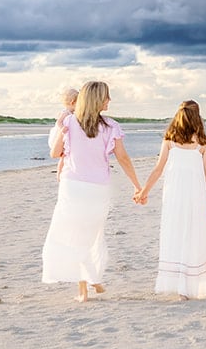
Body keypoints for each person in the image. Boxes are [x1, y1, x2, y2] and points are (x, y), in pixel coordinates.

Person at [42, 81, 141, 302]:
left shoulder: (70, 121)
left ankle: (87, 286)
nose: (109, 100)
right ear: (97, 99)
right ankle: (88, 283)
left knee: (78, 235)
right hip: (96, 188)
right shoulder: (109, 126)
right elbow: (123, 158)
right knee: (89, 235)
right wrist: (137, 184)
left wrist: (62, 130)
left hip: (73, 186)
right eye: (107, 96)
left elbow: (55, 152)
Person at [136, 100, 206, 299]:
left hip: (175, 198)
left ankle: (183, 286)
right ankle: (188, 285)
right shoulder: (203, 144)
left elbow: (158, 169)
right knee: (192, 236)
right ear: (197, 117)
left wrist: (144, 191)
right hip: (195, 198)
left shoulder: (170, 140)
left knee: (177, 234)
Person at [47, 84, 79, 179]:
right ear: (73, 102)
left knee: (64, 155)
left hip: (63, 136)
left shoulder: (72, 113)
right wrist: (62, 129)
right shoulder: (66, 112)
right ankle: (59, 174)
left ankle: (60, 173)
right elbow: (58, 122)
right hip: (59, 136)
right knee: (63, 155)